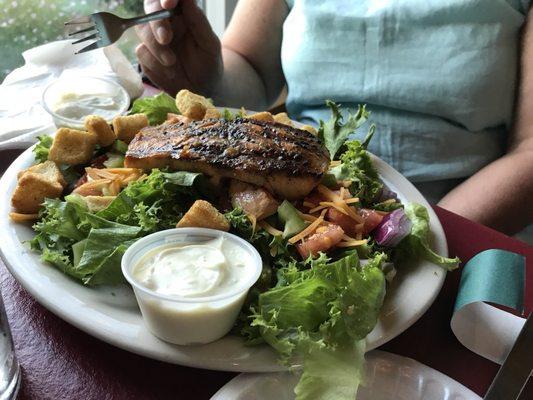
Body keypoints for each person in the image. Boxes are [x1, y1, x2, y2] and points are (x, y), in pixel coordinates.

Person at [135, 0, 533, 237]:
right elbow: (252, 71)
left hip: (466, 220)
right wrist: (208, 74)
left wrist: (418, 236)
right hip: (298, 193)